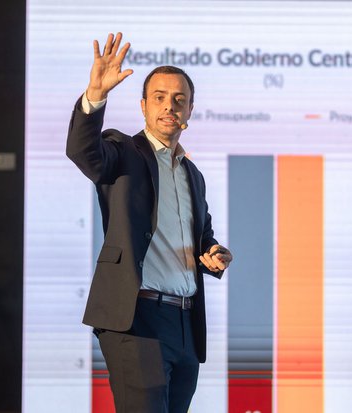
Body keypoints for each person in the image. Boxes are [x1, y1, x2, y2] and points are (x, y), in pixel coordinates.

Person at [66, 32, 232, 413]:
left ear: (190, 111)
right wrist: (95, 95)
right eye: (159, 97)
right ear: (143, 106)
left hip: (185, 323)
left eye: (179, 100)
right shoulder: (123, 152)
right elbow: (83, 151)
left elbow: (202, 237)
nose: (169, 106)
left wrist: (215, 253)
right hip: (136, 319)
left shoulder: (193, 174)